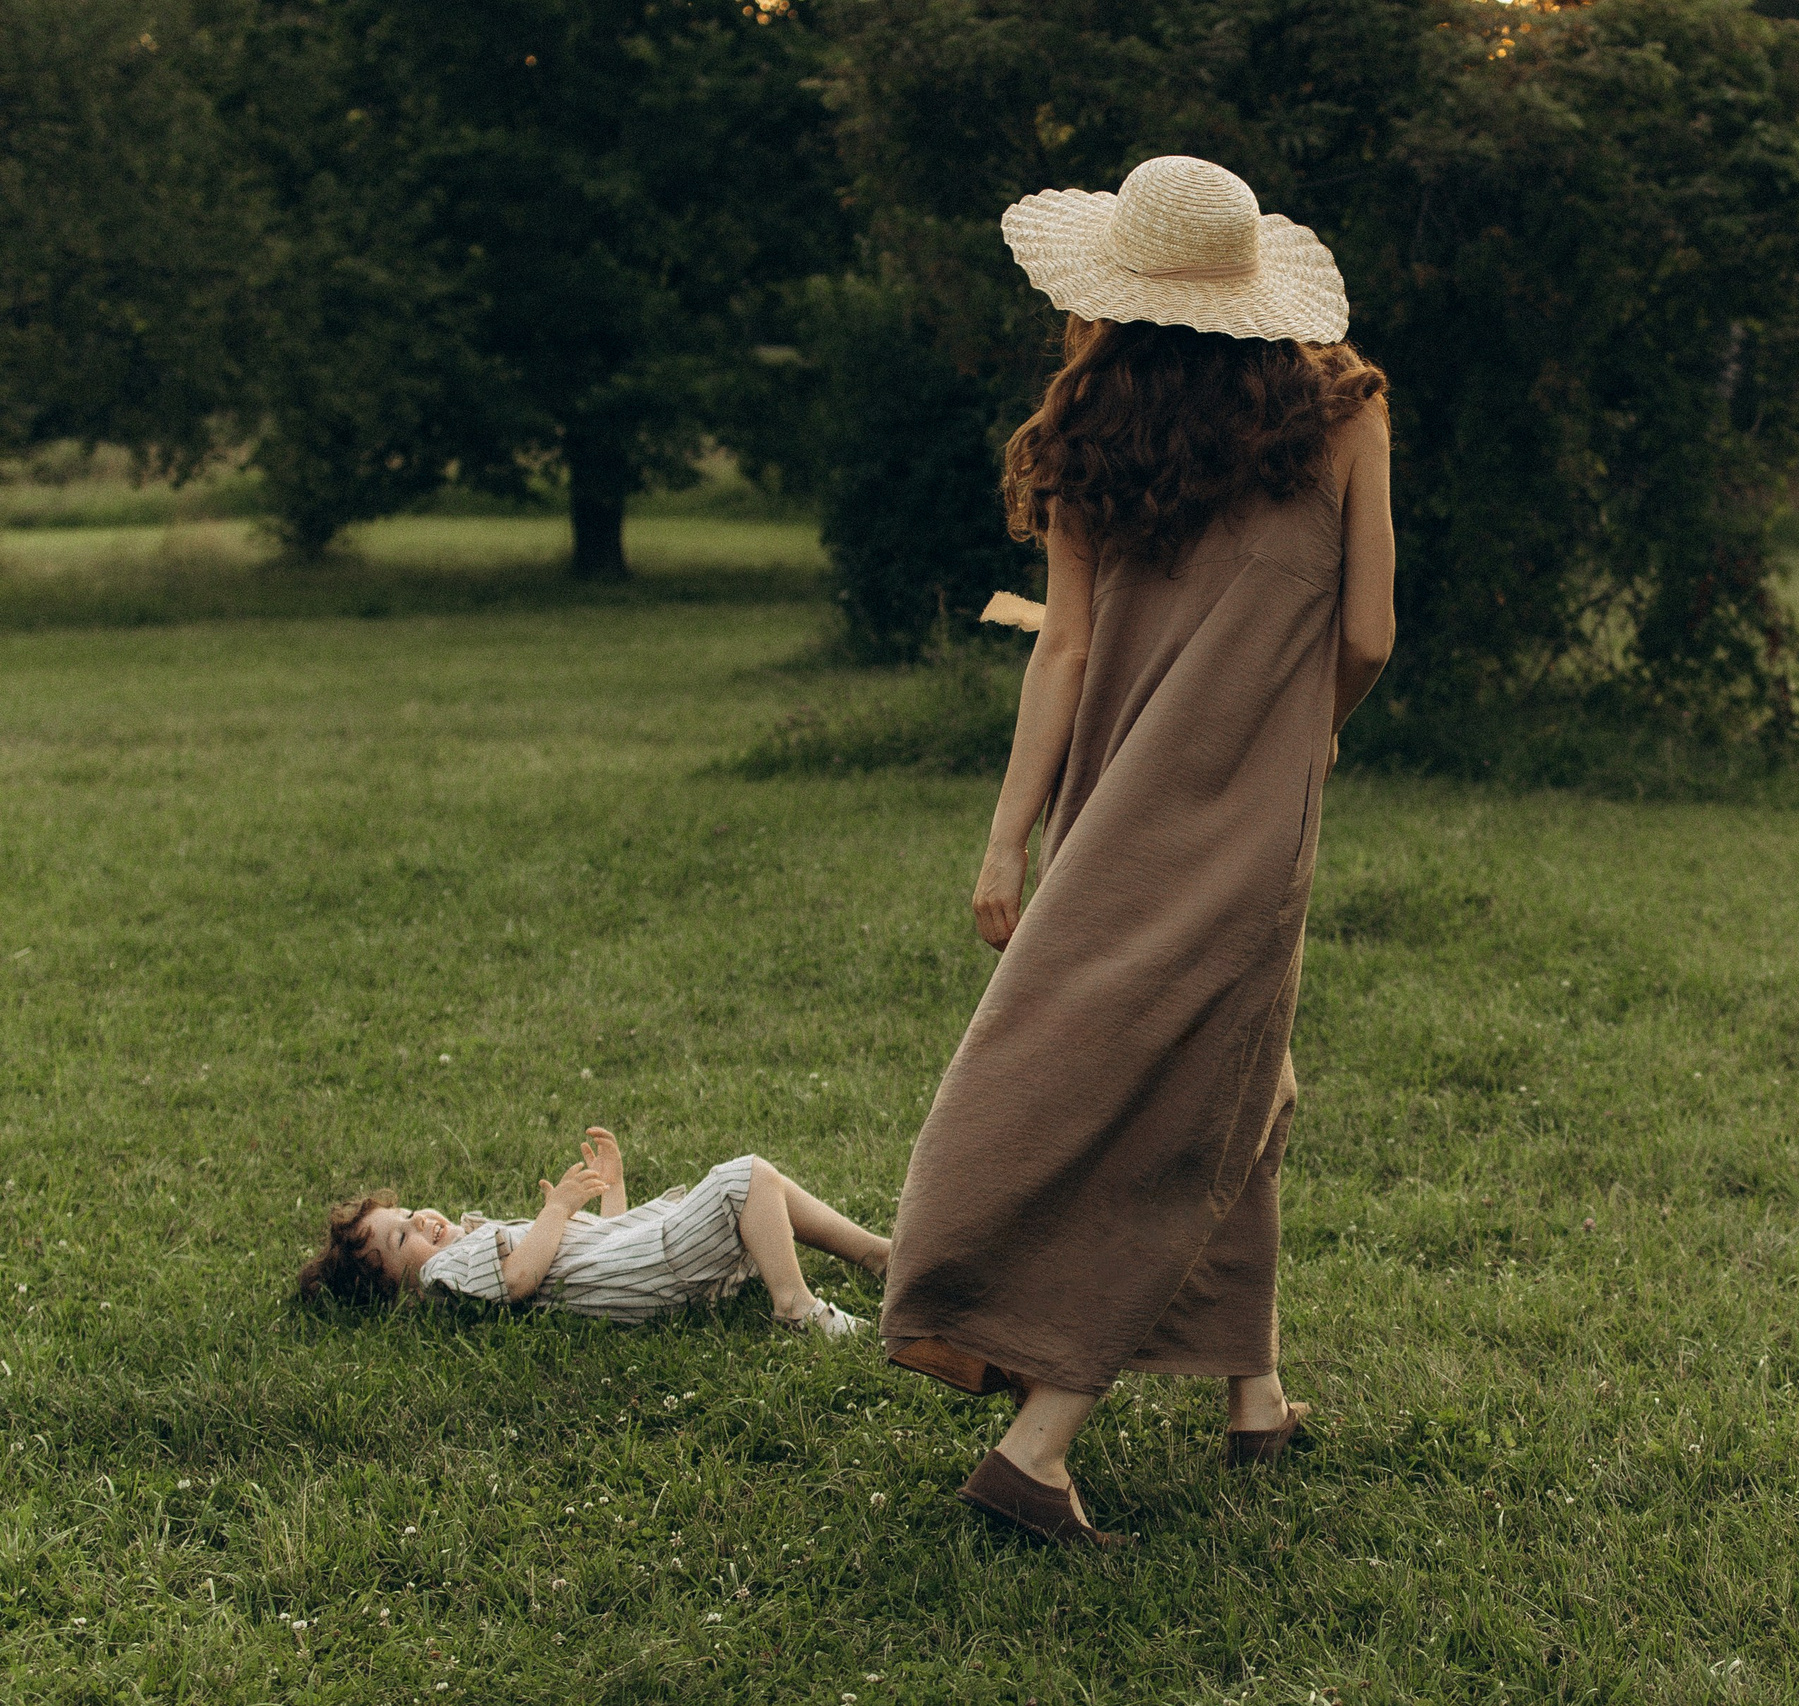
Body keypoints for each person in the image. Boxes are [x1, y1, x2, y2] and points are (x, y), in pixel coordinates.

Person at [877, 154, 1396, 1545]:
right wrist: (1310, 730)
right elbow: (1366, 636)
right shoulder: (1346, 406)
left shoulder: (1085, 429)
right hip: (1244, 815)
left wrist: (1006, 842)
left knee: (1248, 1079)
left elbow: (1066, 648)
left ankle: (1255, 1390)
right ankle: (1039, 1441)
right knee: (1199, 1103)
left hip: (1108, 808)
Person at [297, 1128, 886, 1335]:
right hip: (654, 1275)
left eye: (407, 1217)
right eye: (402, 1240)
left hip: (643, 1265)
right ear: (403, 1286)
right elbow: (521, 1279)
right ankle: (796, 1307)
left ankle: (879, 1255)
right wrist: (557, 1211)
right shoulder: (446, 1272)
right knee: (747, 1179)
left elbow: (609, 1243)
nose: (420, 1222)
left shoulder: (464, 1244)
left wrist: (613, 1190)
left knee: (764, 1190)